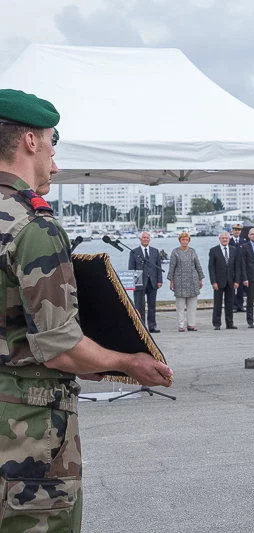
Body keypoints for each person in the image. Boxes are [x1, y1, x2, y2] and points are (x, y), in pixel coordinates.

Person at [0, 89, 173, 532]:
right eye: (52, 141)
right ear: (31, 142)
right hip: (27, 434)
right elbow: (59, 347)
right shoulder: (33, 226)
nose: (54, 158)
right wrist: (126, 361)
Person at [167, 232, 204, 332]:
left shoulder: (192, 251)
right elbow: (171, 267)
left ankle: (191, 325)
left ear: (189, 241)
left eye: (186, 240)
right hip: (179, 281)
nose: (185, 241)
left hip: (193, 281)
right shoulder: (175, 252)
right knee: (180, 306)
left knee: (192, 305)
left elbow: (198, 265)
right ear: (179, 240)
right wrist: (171, 281)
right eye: (183, 240)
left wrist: (201, 278)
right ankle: (181, 325)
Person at [128, 231, 163, 333]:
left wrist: (159, 281)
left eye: (147, 238)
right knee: (139, 306)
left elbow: (159, 268)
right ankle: (141, 326)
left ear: (150, 239)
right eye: (144, 237)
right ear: (140, 239)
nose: (146, 239)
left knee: (152, 306)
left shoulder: (155, 251)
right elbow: (131, 268)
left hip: (152, 282)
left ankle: (152, 326)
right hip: (139, 282)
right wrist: (132, 282)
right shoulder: (134, 252)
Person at [208, 231, 240, 330]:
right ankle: (217, 323)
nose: (225, 239)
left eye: (226, 238)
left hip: (231, 281)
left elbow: (237, 267)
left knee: (230, 304)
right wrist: (213, 282)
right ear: (220, 239)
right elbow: (211, 268)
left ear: (229, 239)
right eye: (223, 238)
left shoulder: (234, 250)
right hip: (218, 282)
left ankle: (229, 323)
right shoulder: (214, 250)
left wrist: (237, 281)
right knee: (217, 304)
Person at [230, 223, 246, 312]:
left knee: (240, 288)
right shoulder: (229, 241)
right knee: (232, 288)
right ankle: (233, 305)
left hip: (241, 267)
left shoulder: (244, 241)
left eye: (238, 230)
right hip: (232, 268)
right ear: (233, 231)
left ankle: (240, 305)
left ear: (240, 231)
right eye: (235, 230)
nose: (237, 231)